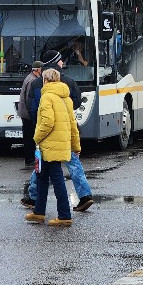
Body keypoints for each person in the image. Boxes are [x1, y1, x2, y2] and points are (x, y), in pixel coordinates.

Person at [24, 68, 80, 227]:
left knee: (56, 179)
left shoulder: (46, 97)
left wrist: (36, 138)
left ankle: (64, 215)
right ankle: (39, 212)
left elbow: (47, 122)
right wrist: (76, 145)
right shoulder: (66, 98)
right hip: (61, 144)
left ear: (45, 80)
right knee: (42, 177)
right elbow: (73, 125)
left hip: (49, 145)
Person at [42, 49, 94, 211]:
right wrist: (76, 144)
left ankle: (33, 197)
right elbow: (76, 105)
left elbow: (33, 107)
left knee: (41, 166)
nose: (62, 62)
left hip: (49, 137)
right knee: (74, 165)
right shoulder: (69, 83)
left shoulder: (40, 85)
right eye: (60, 60)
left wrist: (36, 137)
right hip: (66, 134)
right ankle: (85, 195)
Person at [18, 60, 44, 170]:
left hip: (25, 113)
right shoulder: (32, 80)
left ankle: (30, 159)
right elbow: (30, 100)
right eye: (42, 69)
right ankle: (30, 159)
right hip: (28, 115)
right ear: (37, 70)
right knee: (29, 138)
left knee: (28, 137)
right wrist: (34, 115)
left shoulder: (30, 78)